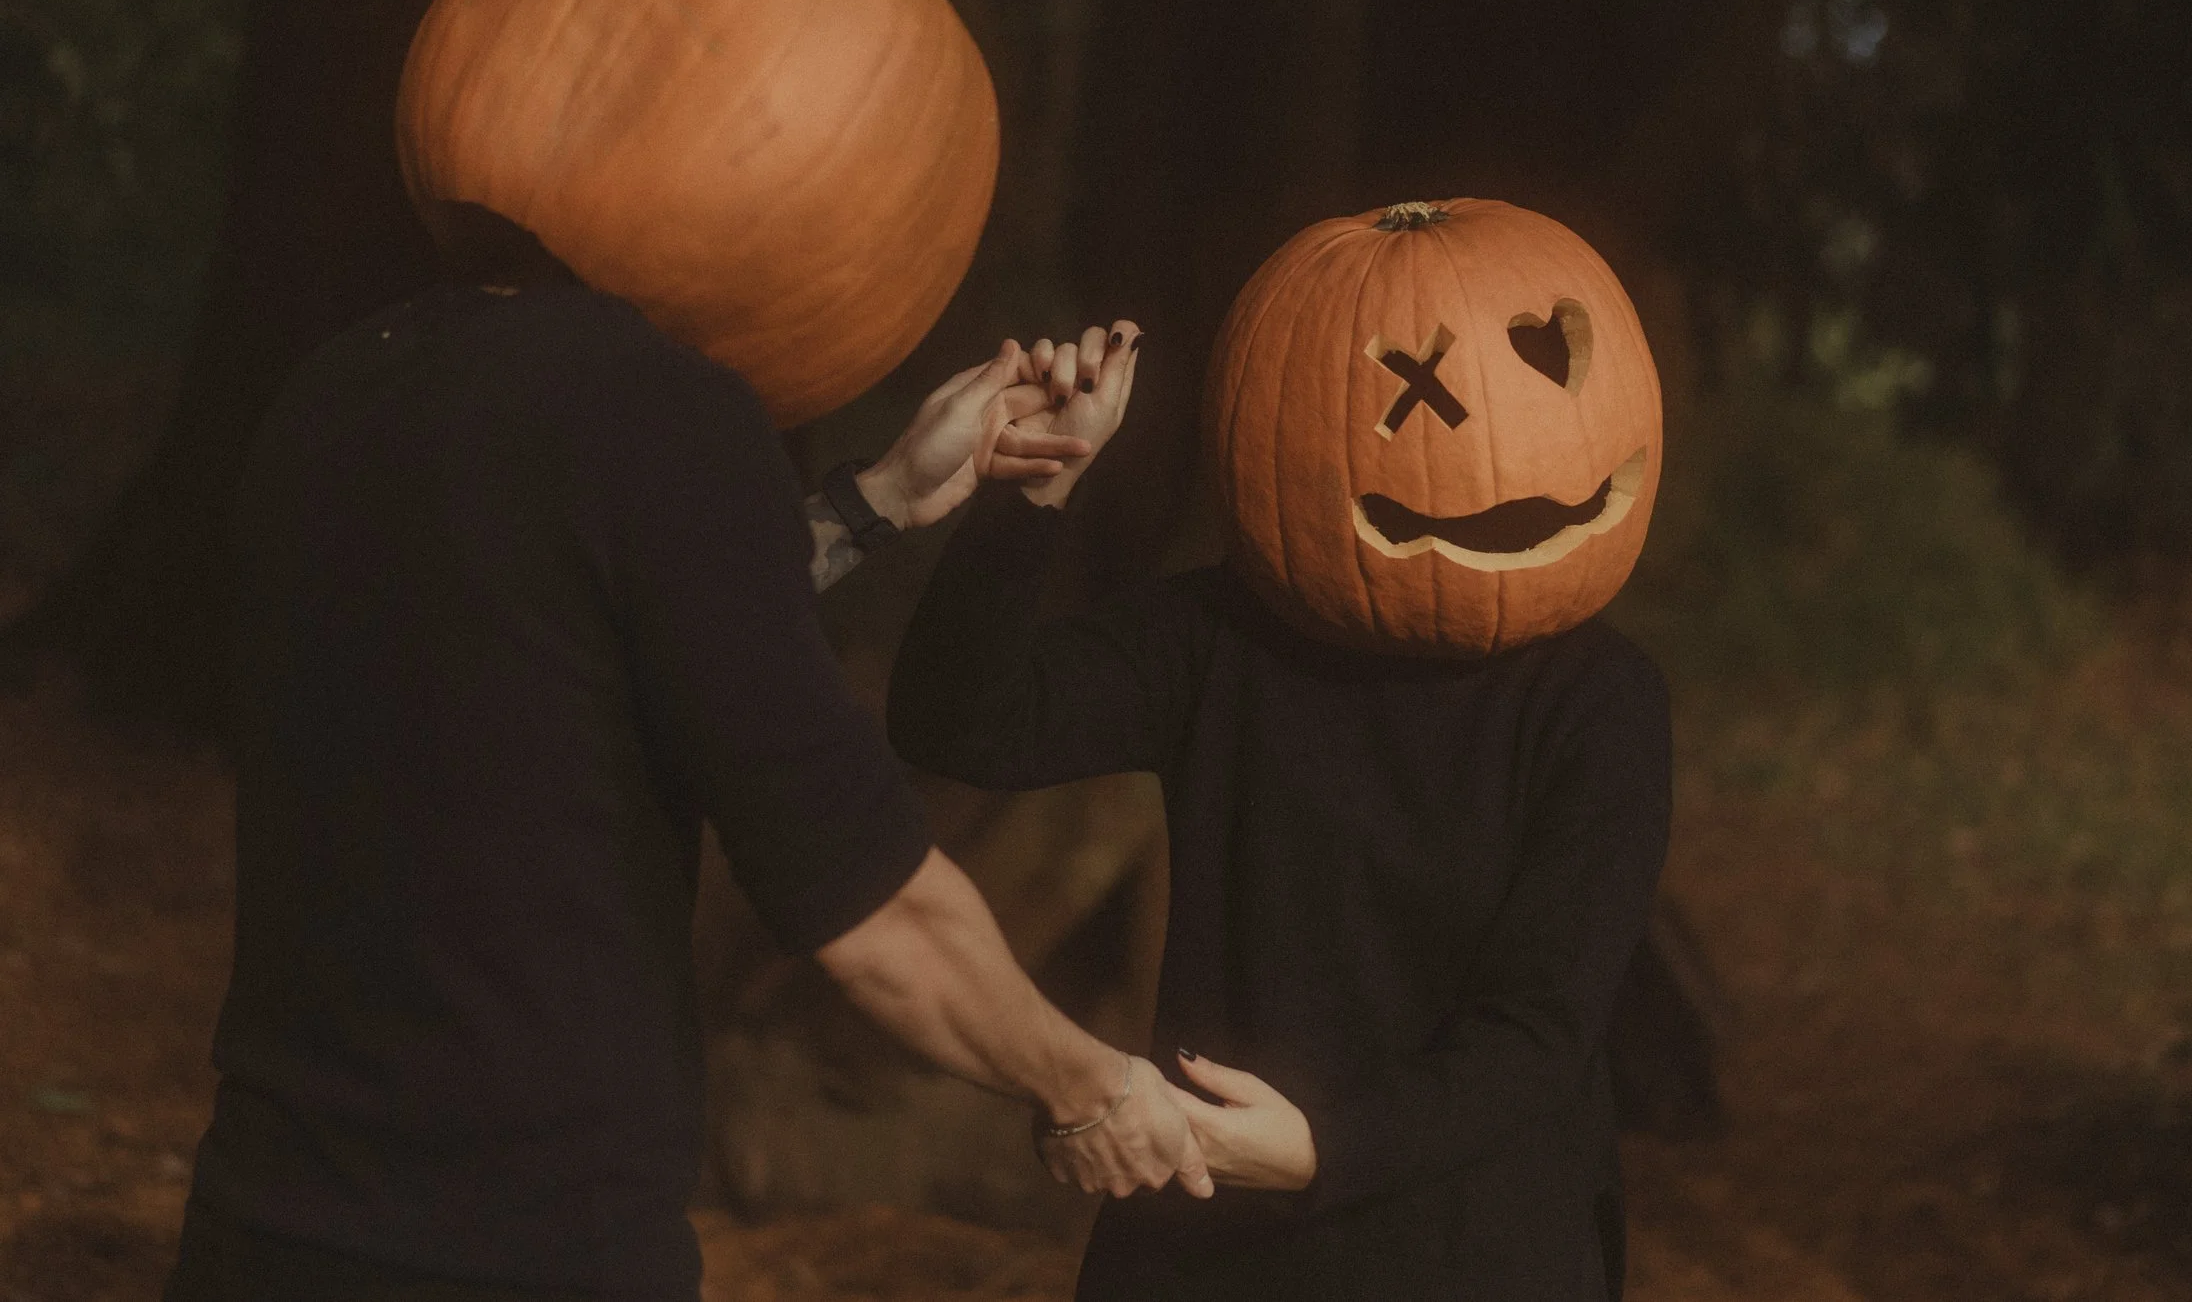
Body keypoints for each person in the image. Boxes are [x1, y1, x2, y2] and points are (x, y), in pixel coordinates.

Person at [164, 227, 1210, 1302]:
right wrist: (1089, 1085)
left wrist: (881, 496)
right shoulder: (662, 408)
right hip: (517, 1254)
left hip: (262, 1226)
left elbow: (590, 619)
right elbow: (871, 909)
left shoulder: (347, 374)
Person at [889, 312, 1676, 1301]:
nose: (1446, 444)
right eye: (1399, 396)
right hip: (1210, 1233)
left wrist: (1317, 1147)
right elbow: (960, 723)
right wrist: (1035, 484)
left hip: (1475, 1243)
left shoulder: (1598, 699)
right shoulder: (1224, 631)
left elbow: (1539, 1030)